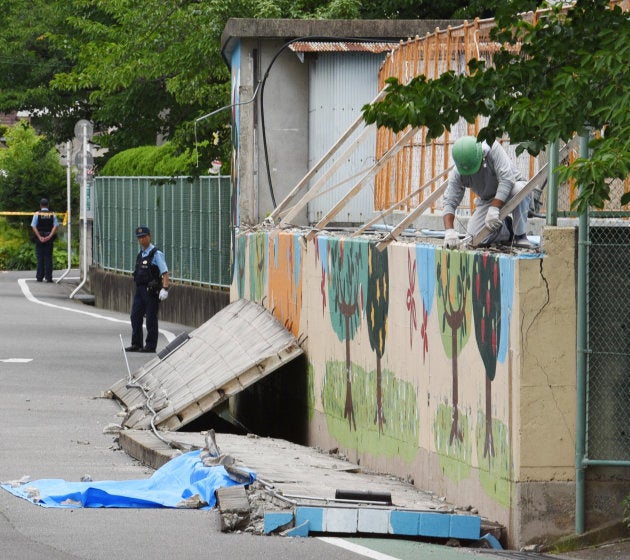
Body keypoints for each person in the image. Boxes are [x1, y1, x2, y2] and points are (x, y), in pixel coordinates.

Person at [442, 136, 535, 249]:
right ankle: (507, 228)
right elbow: (449, 202)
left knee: (520, 190)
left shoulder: (492, 148)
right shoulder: (458, 171)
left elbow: (507, 180)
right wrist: (449, 232)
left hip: (512, 189)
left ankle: (520, 235)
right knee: (474, 238)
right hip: (488, 200)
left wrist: (494, 208)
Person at [125, 226, 170, 353]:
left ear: (149, 236)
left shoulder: (156, 253)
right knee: (135, 316)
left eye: (144, 237)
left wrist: (165, 288)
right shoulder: (141, 254)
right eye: (139, 237)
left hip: (151, 291)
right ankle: (136, 343)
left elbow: (165, 272)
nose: (141, 240)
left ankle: (150, 345)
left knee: (150, 318)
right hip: (140, 290)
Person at [31, 198, 60, 282]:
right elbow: (56, 225)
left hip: (39, 238)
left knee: (40, 257)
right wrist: (50, 236)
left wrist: (39, 236)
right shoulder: (52, 214)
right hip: (49, 238)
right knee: (48, 258)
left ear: (40, 205)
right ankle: (49, 277)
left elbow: (33, 226)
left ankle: (39, 277)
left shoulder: (37, 214)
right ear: (48, 205)